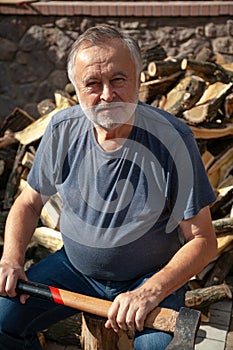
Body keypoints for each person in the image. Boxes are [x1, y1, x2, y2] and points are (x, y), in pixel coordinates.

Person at [0, 25, 217, 350]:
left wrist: (151, 290)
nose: (106, 94)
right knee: (3, 323)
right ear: (76, 89)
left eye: (118, 79)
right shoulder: (62, 131)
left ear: (139, 81)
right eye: (92, 84)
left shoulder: (172, 141)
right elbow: (29, 203)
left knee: (157, 348)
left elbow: (203, 240)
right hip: (74, 270)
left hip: (150, 275)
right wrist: (12, 259)